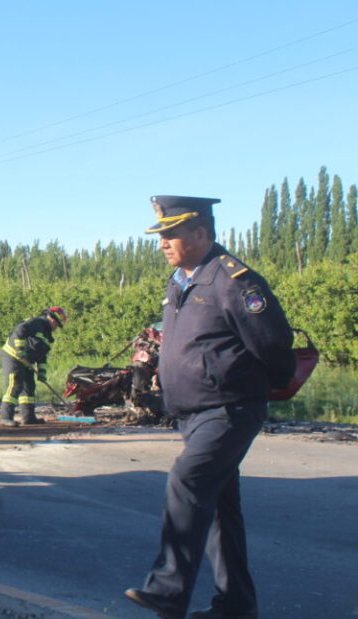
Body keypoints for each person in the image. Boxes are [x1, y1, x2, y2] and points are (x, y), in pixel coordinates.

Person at [125, 196, 295, 619]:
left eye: (171, 234)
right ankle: (236, 605)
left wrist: (257, 386)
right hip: (192, 411)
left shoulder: (233, 280)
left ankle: (167, 589)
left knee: (189, 478)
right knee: (220, 509)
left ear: (201, 233)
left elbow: (273, 344)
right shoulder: (181, 280)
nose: (163, 242)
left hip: (229, 408)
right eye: (160, 235)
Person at [0, 306, 67, 426]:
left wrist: (42, 372)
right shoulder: (36, 322)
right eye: (57, 323)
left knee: (29, 387)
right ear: (51, 318)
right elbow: (20, 330)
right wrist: (20, 350)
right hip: (14, 356)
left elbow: (42, 356)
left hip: (27, 362)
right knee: (15, 385)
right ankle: (5, 417)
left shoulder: (47, 335)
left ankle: (28, 417)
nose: (57, 327)